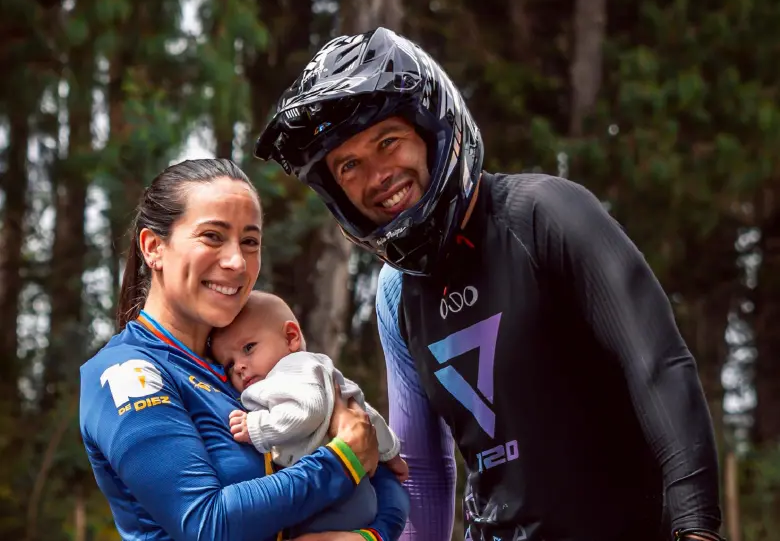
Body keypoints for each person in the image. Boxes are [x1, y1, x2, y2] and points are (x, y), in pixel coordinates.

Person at [253, 28, 726, 541]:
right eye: (350, 166)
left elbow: (657, 366)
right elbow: (426, 474)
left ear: (433, 130)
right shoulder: (395, 294)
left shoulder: (546, 215)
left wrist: (697, 528)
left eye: (387, 142)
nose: (377, 176)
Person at [79, 158, 409, 541]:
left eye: (249, 241)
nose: (237, 261)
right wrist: (344, 460)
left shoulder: (251, 360)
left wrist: (373, 536)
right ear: (154, 247)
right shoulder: (125, 372)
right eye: (212, 236)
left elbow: (385, 473)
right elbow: (207, 523)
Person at [209, 290, 409, 537]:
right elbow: (366, 416)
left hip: (335, 502)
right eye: (229, 364)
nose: (239, 366)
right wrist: (391, 455)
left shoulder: (291, 369)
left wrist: (257, 427)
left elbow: (308, 410)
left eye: (248, 348)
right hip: (354, 496)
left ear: (291, 337)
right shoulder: (319, 369)